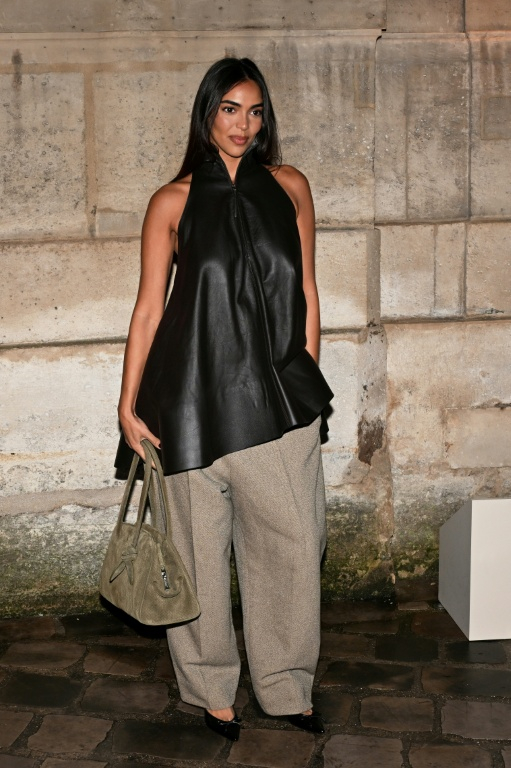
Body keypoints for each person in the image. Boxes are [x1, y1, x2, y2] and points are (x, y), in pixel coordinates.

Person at [115, 57, 333, 741]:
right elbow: (150, 309)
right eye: (230, 108)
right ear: (206, 112)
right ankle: (211, 688)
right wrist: (127, 406)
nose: (244, 124)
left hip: (275, 402)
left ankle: (284, 686)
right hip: (183, 404)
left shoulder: (290, 186)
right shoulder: (171, 201)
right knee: (197, 560)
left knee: (294, 548)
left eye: (256, 110)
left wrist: (304, 382)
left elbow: (306, 294)